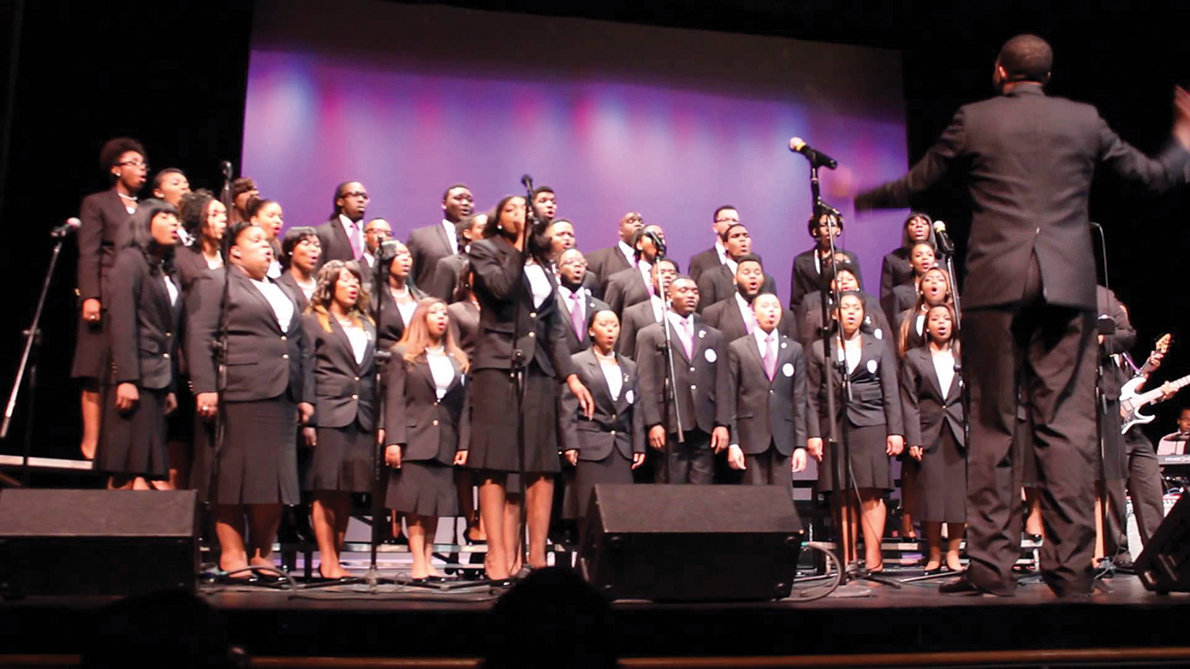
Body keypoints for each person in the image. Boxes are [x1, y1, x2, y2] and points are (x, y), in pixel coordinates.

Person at [855, 34, 1190, 597]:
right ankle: (1072, 572)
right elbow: (1152, 175)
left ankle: (990, 568)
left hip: (997, 285)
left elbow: (918, 182)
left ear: (1000, 70)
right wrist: (1183, 138)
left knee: (991, 425)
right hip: (1066, 285)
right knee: (1067, 427)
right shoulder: (1083, 120)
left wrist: (859, 194)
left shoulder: (976, 118)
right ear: (1048, 76)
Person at [467, 194, 593, 584]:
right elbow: (503, 289)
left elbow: (553, 328)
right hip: (497, 364)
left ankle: (536, 557)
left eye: (525, 211)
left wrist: (569, 376)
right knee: (494, 462)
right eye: (512, 210)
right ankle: (498, 555)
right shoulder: (484, 250)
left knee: (541, 463)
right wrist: (520, 245)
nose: (520, 215)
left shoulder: (544, 265)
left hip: (537, 368)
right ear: (499, 220)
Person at [188, 220, 314, 580]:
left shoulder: (282, 289)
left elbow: (300, 347)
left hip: (282, 394)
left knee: (273, 478)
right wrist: (205, 387)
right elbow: (199, 335)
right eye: (256, 240)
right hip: (238, 390)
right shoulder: (217, 280)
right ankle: (231, 552)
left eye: (268, 240)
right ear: (235, 251)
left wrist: (304, 396)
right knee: (233, 475)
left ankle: (262, 552)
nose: (266, 245)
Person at [806, 291, 904, 570]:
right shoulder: (818, 349)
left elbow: (890, 391)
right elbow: (812, 397)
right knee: (842, 493)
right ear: (836, 314)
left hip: (872, 423)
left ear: (863, 313)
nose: (851, 312)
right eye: (845, 308)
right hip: (835, 425)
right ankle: (848, 558)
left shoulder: (878, 346)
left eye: (856, 308)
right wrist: (814, 434)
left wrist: (895, 430)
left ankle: (873, 557)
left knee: (872, 492)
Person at [95, 200, 183, 490]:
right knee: (126, 466)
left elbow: (169, 332)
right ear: (145, 222)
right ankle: (110, 532)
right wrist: (126, 378)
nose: (174, 223)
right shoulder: (130, 260)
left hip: (157, 378)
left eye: (175, 218)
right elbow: (122, 321)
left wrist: (169, 386)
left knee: (142, 467)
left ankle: (135, 533)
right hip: (136, 376)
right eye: (165, 216)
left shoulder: (165, 270)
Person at [384, 298, 471, 582]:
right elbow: (394, 400)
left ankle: (429, 558)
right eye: (434, 313)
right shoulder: (402, 354)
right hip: (414, 437)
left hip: (445, 438)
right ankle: (417, 561)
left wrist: (463, 443)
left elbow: (462, 406)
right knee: (415, 504)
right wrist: (394, 440)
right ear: (422, 318)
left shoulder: (456, 358)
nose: (440, 317)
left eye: (444, 313)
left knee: (435, 504)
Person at [301, 261, 377, 580]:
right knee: (325, 487)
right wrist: (307, 415)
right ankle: (327, 559)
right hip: (328, 411)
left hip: (362, 415)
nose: (352, 285)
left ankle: (337, 557)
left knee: (347, 489)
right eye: (344, 279)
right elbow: (306, 367)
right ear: (329, 284)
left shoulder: (368, 323)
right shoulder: (313, 321)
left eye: (356, 280)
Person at [74, 137, 146, 460]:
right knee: (94, 368)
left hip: (137, 299)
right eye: (134, 163)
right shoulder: (97, 203)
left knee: (126, 372)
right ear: (116, 169)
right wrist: (91, 296)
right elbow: (88, 253)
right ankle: (91, 440)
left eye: (144, 164)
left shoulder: (148, 210)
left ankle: (119, 447)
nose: (142, 169)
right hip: (104, 295)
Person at [636, 276, 730, 485]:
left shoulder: (713, 336)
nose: (691, 296)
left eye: (695, 292)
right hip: (669, 421)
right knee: (672, 486)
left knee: (702, 490)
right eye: (684, 291)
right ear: (669, 296)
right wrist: (653, 423)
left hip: (704, 422)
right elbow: (646, 383)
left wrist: (722, 423)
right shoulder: (651, 334)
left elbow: (722, 382)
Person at [561, 309, 646, 519]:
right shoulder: (577, 362)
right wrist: (570, 443)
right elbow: (567, 407)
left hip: (622, 447)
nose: (610, 330)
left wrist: (639, 445)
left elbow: (636, 408)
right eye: (604, 324)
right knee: (590, 510)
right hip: (590, 445)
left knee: (622, 512)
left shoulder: (630, 366)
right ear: (591, 330)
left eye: (614, 325)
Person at [901, 303, 966, 572]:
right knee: (932, 497)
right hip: (929, 433)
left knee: (957, 497)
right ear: (926, 326)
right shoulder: (915, 357)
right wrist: (913, 438)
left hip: (959, 432)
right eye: (936, 319)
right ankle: (935, 554)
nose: (941, 323)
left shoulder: (964, 356)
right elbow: (909, 400)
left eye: (946, 319)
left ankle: (954, 551)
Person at [724, 293, 809, 486]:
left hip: (784, 438)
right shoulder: (738, 348)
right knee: (755, 501)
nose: (771, 310)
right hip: (750, 436)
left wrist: (800, 444)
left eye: (775, 306)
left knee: (782, 501)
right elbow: (730, 398)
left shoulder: (793, 349)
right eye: (765, 306)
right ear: (753, 312)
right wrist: (734, 442)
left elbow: (800, 399)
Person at [796, 261, 890, 351]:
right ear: (830, 287)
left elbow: (887, 339)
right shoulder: (817, 312)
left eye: (850, 279)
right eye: (838, 280)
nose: (845, 282)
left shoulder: (871, 303)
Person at [702, 254, 793, 342]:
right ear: (735, 279)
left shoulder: (784, 316)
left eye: (757, 273)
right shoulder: (714, 314)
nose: (753, 276)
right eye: (746, 272)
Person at [788, 212, 863, 314]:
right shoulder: (801, 261)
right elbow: (797, 302)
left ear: (839, 230)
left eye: (832, 225)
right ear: (815, 231)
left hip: (841, 315)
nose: (828, 229)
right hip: (812, 316)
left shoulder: (849, 258)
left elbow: (859, 292)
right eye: (824, 225)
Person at [695, 223, 777, 311]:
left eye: (746, 236)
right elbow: (704, 315)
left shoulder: (767, 279)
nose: (742, 240)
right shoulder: (710, 277)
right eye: (736, 236)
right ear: (725, 245)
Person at [409, 184, 473, 289]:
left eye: (469, 200)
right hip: (432, 302)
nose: (465, 203)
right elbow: (408, 278)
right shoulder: (421, 237)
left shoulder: (481, 239)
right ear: (444, 204)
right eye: (458, 198)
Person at [879, 212, 936, 325]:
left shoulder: (942, 258)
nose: (918, 226)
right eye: (913, 223)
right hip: (906, 317)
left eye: (923, 223)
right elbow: (886, 298)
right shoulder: (893, 259)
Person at [617, 258, 678, 360]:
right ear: (651, 280)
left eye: (672, 273)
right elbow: (626, 354)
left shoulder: (688, 315)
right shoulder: (633, 313)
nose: (667, 276)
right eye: (661, 273)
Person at [374, 240, 427, 350]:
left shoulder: (422, 298)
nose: (405, 259)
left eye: (408, 255)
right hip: (385, 358)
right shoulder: (372, 297)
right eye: (399, 254)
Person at [604, 224, 666, 317]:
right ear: (639, 244)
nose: (658, 240)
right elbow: (610, 317)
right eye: (652, 236)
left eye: (661, 237)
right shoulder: (620, 281)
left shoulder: (674, 277)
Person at [557, 249, 609, 355]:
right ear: (558, 271)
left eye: (581, 262)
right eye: (570, 262)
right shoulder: (549, 305)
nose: (577, 265)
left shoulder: (601, 308)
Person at [174, 190, 227, 293]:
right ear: (198, 219)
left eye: (224, 213)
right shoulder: (181, 258)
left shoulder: (228, 255)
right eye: (215, 214)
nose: (223, 219)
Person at [895, 267, 953, 356]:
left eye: (940, 280)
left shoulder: (957, 317)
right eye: (928, 280)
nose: (934, 282)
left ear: (947, 290)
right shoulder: (903, 319)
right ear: (921, 290)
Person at [429, 213, 487, 302]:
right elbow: (439, 304)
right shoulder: (450, 264)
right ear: (468, 233)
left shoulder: (501, 262)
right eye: (483, 227)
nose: (489, 231)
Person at [315, 181, 369, 264]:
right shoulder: (323, 233)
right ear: (340, 201)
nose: (361, 200)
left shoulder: (370, 234)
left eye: (364, 196)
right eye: (355, 195)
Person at [585, 212, 643, 290]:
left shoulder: (653, 262)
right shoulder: (597, 260)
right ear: (620, 231)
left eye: (641, 221)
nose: (638, 224)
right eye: (631, 221)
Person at [688, 205, 739, 284]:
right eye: (725, 220)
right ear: (715, 227)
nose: (731, 223)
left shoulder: (748, 259)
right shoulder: (699, 260)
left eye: (734, 220)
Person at [276, 227, 322, 312]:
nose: (313, 249)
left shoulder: (322, 285)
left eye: (317, 245)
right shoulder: (278, 286)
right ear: (290, 250)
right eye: (306, 244)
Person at [247, 197, 285, 279]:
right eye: (271, 216)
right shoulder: (248, 250)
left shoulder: (278, 249)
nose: (278, 221)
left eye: (280, 217)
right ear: (254, 220)